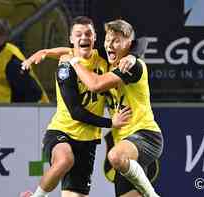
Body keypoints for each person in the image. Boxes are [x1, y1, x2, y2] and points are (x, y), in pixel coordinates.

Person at [20, 16, 131, 197]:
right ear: (71, 39)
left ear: (95, 37)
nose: (83, 37)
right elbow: (76, 112)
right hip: (62, 132)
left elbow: (133, 46)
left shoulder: (103, 58)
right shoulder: (65, 66)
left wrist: (131, 58)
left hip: (87, 143)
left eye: (88, 33)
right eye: (78, 34)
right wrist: (111, 122)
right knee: (65, 160)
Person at [63, 19, 163, 197]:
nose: (110, 44)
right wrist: (45, 52)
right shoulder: (108, 62)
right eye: (108, 39)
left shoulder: (132, 66)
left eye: (116, 40)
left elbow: (95, 84)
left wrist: (75, 62)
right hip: (125, 145)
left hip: (146, 136)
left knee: (115, 156)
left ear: (129, 45)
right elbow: (73, 51)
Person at [0, 17, 49, 103]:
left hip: (8, 112)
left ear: (1, 36)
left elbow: (33, 93)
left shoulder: (12, 60)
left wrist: (16, 113)